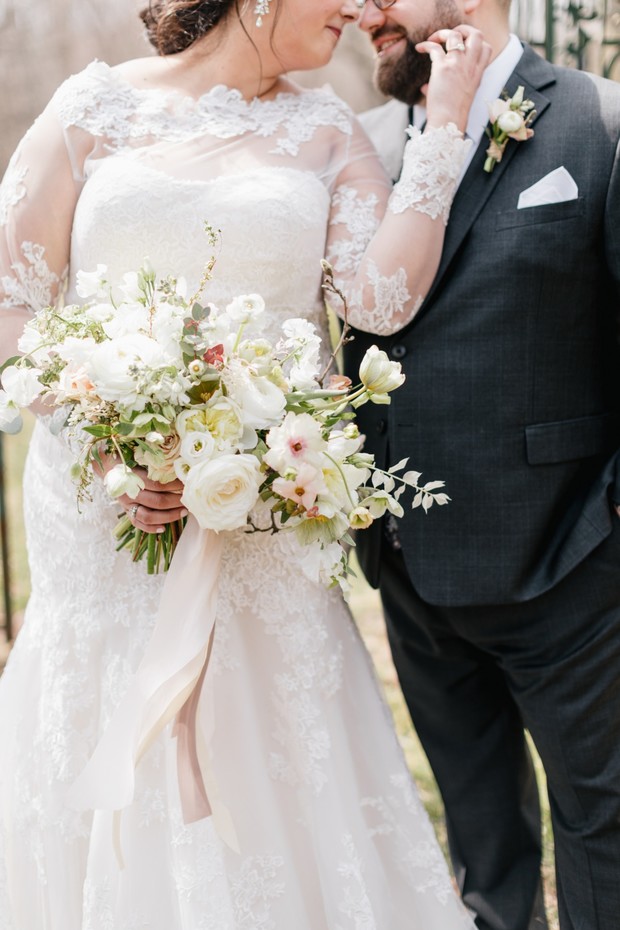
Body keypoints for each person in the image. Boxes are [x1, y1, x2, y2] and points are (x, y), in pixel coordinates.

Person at [0, 1, 492, 926]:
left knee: (272, 745)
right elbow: (11, 307)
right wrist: (116, 440)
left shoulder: (326, 126)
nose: (355, 5)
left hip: (264, 518)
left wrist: (449, 128)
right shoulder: (87, 108)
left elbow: (380, 301)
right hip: (109, 515)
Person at [345, 1, 620, 928]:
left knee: (606, 833)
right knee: (482, 857)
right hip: (412, 578)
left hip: (575, 572)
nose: (362, 10)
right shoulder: (362, 149)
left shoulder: (601, 121)